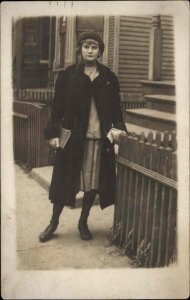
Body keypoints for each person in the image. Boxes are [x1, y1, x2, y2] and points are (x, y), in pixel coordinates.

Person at [39, 31, 127, 242]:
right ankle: (53, 222)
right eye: (86, 46)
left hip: (98, 139)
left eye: (94, 47)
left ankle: (83, 222)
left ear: (100, 51)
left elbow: (116, 110)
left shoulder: (108, 77)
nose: (90, 50)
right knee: (63, 181)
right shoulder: (68, 75)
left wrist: (119, 130)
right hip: (72, 139)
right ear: (79, 49)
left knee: (92, 184)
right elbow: (57, 107)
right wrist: (53, 134)